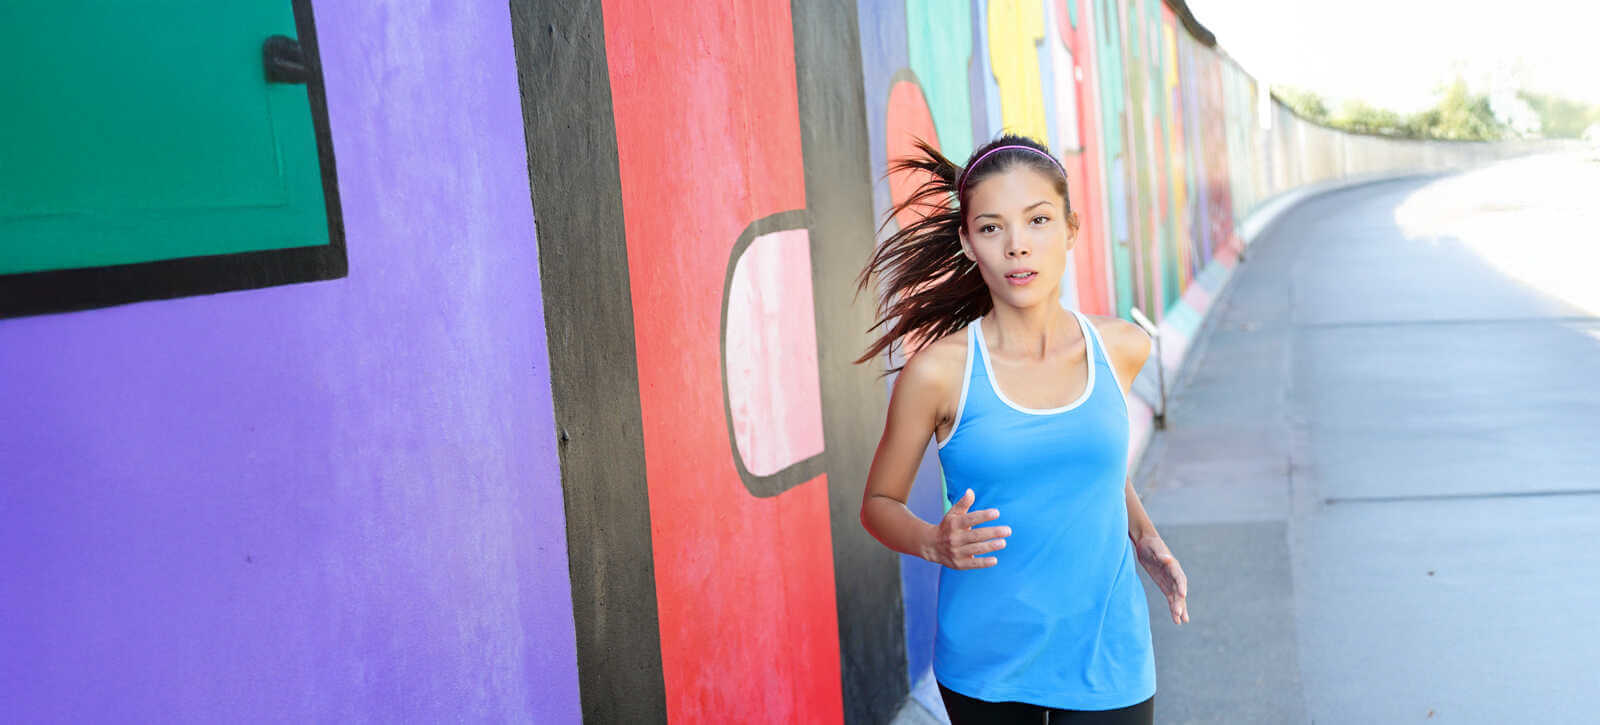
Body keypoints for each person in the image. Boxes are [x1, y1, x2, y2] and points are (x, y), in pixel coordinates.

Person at [856, 134, 1189, 724]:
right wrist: (933, 541)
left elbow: (1093, 468)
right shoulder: (938, 373)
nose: (1017, 245)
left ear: (1070, 229)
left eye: (1038, 220)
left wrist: (1144, 537)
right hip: (987, 667)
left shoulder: (1121, 348)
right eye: (992, 228)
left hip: (1109, 654)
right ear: (968, 242)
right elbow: (878, 504)